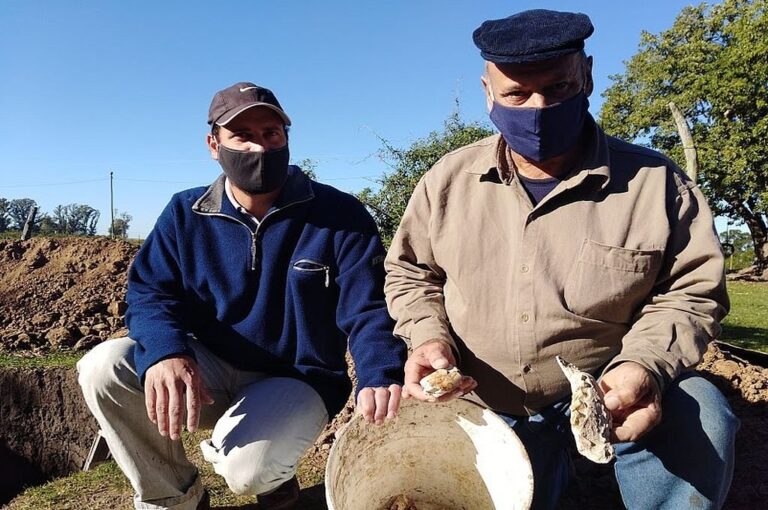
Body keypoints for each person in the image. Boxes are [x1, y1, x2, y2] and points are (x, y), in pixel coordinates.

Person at [384, 9, 739, 510]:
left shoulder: (655, 183)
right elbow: (410, 272)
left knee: (701, 412)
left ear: (588, 75)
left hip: (612, 393)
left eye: (557, 88)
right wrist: (428, 337)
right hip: (487, 401)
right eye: (516, 95)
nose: (538, 108)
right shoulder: (447, 183)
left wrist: (644, 367)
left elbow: (691, 291)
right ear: (487, 92)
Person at [78, 82, 405, 510]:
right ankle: (174, 497)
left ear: (287, 138)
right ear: (214, 145)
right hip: (208, 367)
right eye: (242, 136)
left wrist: (380, 372)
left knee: (247, 471)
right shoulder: (185, 213)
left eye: (271, 134)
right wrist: (165, 351)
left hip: (297, 377)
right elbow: (150, 291)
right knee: (103, 368)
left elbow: (366, 306)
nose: (259, 147)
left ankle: (272, 476)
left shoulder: (340, 215)